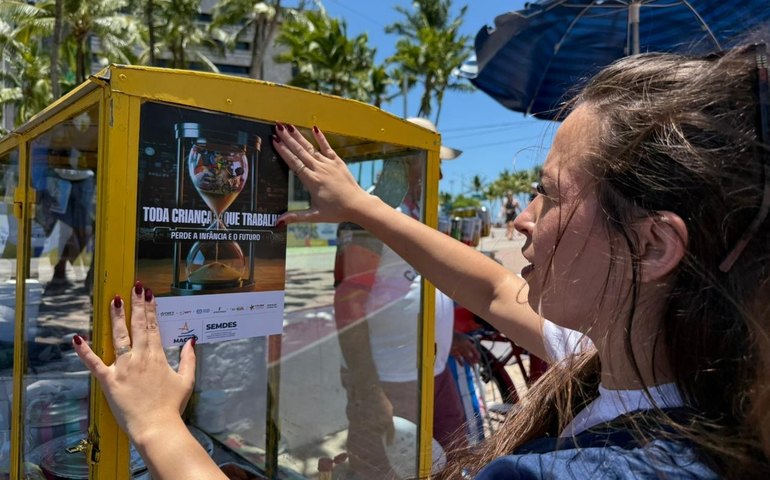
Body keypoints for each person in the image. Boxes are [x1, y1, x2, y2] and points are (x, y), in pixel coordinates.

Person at [74, 41, 770, 479]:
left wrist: (158, 424)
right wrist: (360, 206)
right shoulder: (674, 367)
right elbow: (495, 291)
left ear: (652, 246)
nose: (521, 219)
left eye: (550, 194)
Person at [334, 117, 475, 477]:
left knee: (452, 460)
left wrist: (448, 336)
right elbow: (349, 303)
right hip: (389, 377)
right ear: (408, 159)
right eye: (433, 161)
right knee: (383, 470)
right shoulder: (371, 211)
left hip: (433, 368)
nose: (439, 175)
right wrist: (369, 390)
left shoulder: (418, 213)